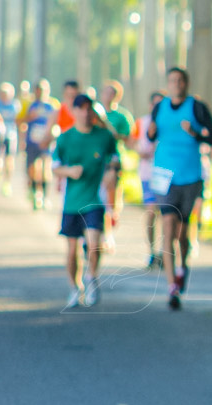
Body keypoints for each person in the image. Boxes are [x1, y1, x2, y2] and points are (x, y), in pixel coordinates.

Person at [147, 67, 212, 310]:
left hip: (190, 177)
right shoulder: (160, 108)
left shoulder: (197, 107)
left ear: (186, 83)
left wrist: (196, 133)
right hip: (164, 177)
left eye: (180, 80)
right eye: (172, 80)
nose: (176, 84)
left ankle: (183, 268)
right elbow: (151, 135)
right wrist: (149, 135)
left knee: (183, 233)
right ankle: (172, 287)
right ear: (167, 84)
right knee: (168, 228)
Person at [52, 94, 120, 308]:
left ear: (93, 111)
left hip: (95, 201)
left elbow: (116, 159)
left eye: (88, 108)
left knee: (93, 244)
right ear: (73, 112)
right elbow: (54, 167)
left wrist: (112, 171)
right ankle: (74, 286)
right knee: (72, 250)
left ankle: (91, 278)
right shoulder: (65, 138)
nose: (85, 112)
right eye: (80, 108)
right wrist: (69, 171)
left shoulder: (104, 136)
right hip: (72, 202)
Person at [98, 80, 135, 253]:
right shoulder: (96, 113)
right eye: (105, 92)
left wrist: (115, 135)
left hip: (114, 159)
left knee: (111, 196)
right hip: (98, 159)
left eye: (111, 93)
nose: (108, 96)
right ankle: (102, 233)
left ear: (117, 96)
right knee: (101, 197)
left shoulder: (122, 116)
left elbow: (129, 139)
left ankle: (111, 224)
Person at [133, 91, 165, 269]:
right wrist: (140, 151)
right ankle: (152, 251)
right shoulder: (142, 122)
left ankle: (166, 252)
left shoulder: (169, 122)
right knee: (152, 212)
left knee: (167, 214)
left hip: (166, 174)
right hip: (148, 173)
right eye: (155, 104)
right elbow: (134, 141)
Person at [17, 78, 59, 210]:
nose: (40, 92)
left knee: (46, 168)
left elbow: (59, 122)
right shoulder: (28, 104)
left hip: (46, 142)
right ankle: (34, 192)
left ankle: (44, 197)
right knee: (32, 169)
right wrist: (30, 117)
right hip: (31, 141)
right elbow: (18, 121)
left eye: (43, 90)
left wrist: (53, 135)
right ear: (35, 91)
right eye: (38, 90)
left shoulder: (53, 104)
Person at [0, 82, 21, 196]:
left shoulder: (15, 105)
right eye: (3, 93)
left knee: (9, 159)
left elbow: (19, 121)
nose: (5, 95)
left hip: (11, 135)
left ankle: (7, 182)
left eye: (7, 93)